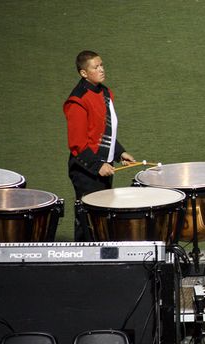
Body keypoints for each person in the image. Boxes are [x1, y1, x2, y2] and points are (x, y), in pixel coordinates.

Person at [64, 50, 135, 241]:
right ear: (84, 73)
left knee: (102, 217)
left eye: (101, 65)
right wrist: (97, 165)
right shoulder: (77, 100)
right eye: (96, 67)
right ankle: (82, 260)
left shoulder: (104, 92)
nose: (101, 69)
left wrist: (120, 153)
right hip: (86, 171)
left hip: (104, 166)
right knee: (87, 219)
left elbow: (102, 130)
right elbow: (77, 144)